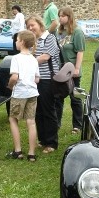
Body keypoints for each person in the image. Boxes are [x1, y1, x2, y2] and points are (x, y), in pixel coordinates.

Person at [26, 15, 62, 154]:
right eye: (28, 26)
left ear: (40, 24)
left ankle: (52, 142)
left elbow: (45, 57)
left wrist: (27, 62)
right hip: (35, 80)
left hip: (48, 80)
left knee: (48, 111)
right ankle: (42, 140)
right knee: (38, 111)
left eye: (32, 25)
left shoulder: (50, 38)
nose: (30, 28)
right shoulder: (32, 41)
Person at [6, 29, 40, 162]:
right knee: (31, 122)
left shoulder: (16, 58)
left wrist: (10, 86)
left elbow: (14, 77)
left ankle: (18, 150)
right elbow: (37, 79)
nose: (15, 41)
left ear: (22, 42)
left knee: (13, 119)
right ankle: (31, 154)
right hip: (32, 93)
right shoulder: (34, 59)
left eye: (17, 39)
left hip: (19, 94)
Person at [57, 6, 86, 133]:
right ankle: (56, 124)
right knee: (58, 98)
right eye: (59, 16)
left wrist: (77, 68)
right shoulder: (60, 32)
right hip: (60, 70)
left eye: (63, 16)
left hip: (72, 69)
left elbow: (80, 51)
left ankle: (77, 125)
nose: (60, 18)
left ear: (69, 17)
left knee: (75, 98)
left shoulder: (77, 32)